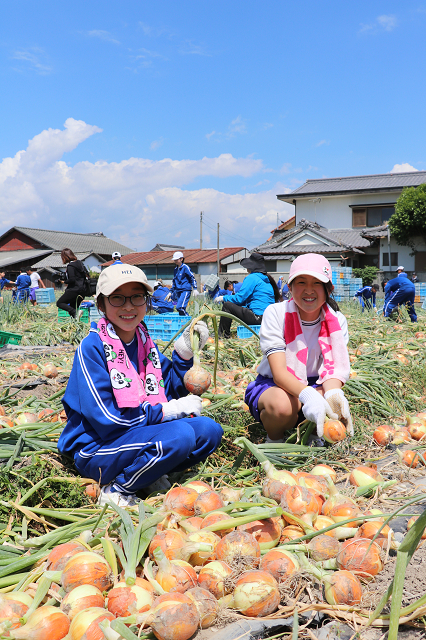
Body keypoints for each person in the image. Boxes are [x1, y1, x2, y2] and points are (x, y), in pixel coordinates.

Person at [57, 263, 223, 507]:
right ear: (101, 305)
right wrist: (166, 412)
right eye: (117, 298)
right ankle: (117, 489)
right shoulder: (91, 349)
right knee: (180, 435)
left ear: (147, 302)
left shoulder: (145, 344)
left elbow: (173, 390)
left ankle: (147, 473)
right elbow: (108, 419)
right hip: (97, 448)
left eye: (137, 297)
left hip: (136, 437)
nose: (128, 306)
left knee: (209, 431)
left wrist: (185, 354)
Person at [245, 253, 353, 444]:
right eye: (301, 282)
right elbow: (279, 374)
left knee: (328, 399)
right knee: (282, 406)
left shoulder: (337, 321)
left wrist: (333, 394)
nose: (309, 290)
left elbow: (334, 370)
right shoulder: (276, 313)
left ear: (329, 289)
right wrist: (308, 395)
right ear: (290, 287)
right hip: (276, 386)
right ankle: (274, 441)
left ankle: (311, 434)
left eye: (317, 283)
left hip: (317, 384)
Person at [216, 253, 279, 339]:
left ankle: (223, 336)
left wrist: (223, 298)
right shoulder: (265, 280)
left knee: (227, 305)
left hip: (257, 318)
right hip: (267, 319)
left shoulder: (252, 278)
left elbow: (239, 299)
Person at [56, 249, 88, 318]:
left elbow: (72, 279)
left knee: (60, 303)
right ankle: (75, 324)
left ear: (66, 257)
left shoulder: (71, 266)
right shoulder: (80, 263)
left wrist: (64, 282)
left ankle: (75, 312)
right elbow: (86, 275)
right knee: (73, 310)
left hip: (74, 290)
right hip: (83, 290)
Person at [167, 252, 197, 316]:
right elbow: (174, 281)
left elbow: (192, 277)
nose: (175, 261)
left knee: (180, 307)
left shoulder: (185, 267)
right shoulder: (175, 270)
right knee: (180, 310)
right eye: (174, 260)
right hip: (178, 291)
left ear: (181, 259)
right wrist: (170, 292)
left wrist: (195, 288)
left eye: (177, 260)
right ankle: (183, 323)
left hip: (185, 290)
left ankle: (188, 320)